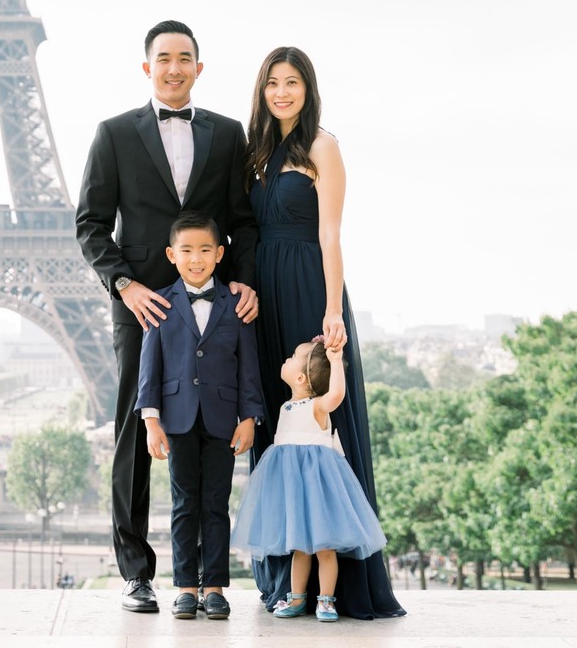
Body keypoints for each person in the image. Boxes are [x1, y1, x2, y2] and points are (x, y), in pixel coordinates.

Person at [75, 20, 259, 613]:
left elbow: (242, 221)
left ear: (198, 68)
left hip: (213, 308)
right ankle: (136, 573)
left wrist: (242, 280)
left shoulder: (228, 134)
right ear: (146, 67)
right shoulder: (113, 133)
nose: (174, 68)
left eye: (185, 58)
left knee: (216, 431)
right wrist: (125, 285)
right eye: (164, 58)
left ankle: (210, 578)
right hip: (142, 305)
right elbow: (91, 223)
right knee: (136, 430)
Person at [246, 46, 403, 619]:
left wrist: (332, 309)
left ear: (308, 89)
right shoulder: (256, 149)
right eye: (272, 82)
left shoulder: (322, 146)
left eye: (292, 82)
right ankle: (286, 580)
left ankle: (339, 586)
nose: (282, 92)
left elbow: (331, 233)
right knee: (278, 422)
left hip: (310, 284)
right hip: (263, 290)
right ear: (261, 90)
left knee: (322, 423)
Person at [135, 213, 265, 620]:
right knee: (183, 505)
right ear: (171, 255)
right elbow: (149, 369)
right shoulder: (159, 302)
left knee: (216, 504)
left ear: (220, 254)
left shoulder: (236, 304)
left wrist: (249, 417)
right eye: (187, 250)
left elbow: (248, 366)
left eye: (205, 250)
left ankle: (215, 588)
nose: (196, 258)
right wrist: (151, 421)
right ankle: (186, 588)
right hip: (177, 420)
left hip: (223, 420)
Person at [232, 338, 386, 621]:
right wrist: (319, 349)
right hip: (292, 490)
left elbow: (336, 394)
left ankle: (326, 601)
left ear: (301, 378)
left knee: (325, 549)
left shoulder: (317, 406)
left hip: (318, 491)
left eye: (293, 357)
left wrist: (334, 360)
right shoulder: (286, 407)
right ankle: (296, 598)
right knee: (300, 548)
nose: (287, 359)